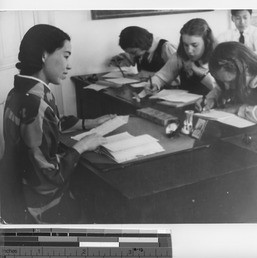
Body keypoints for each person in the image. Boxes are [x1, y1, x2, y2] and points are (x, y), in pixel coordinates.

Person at [0, 24, 116, 224]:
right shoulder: (35, 103)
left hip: (13, 189)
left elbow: (50, 124)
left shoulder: (20, 91)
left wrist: (88, 123)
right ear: (44, 55)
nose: (69, 65)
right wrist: (82, 145)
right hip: (35, 206)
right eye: (66, 55)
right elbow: (47, 177)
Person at [201, 41, 257, 127]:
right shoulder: (235, 72)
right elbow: (219, 89)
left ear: (244, 68)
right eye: (222, 81)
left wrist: (238, 109)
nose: (227, 87)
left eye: (231, 81)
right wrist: (211, 99)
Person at [143, 18, 218, 103]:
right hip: (183, 104)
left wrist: (200, 73)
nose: (189, 50)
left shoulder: (218, 57)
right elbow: (162, 76)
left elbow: (221, 90)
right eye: (185, 45)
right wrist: (154, 84)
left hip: (209, 106)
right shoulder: (180, 56)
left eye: (194, 45)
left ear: (207, 42)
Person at [110, 26, 177, 74]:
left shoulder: (166, 48)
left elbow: (181, 76)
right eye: (128, 52)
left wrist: (149, 75)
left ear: (142, 45)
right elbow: (131, 60)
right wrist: (121, 60)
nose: (131, 55)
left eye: (133, 52)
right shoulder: (141, 50)